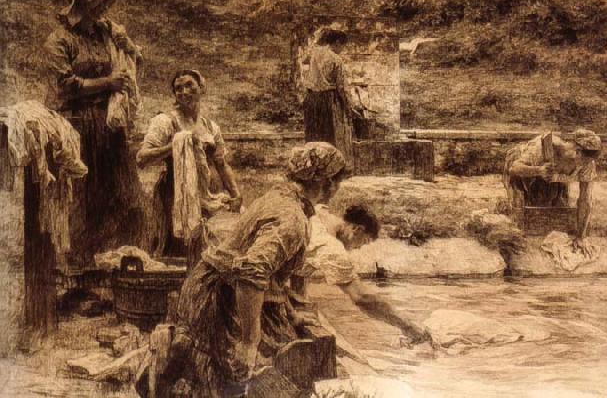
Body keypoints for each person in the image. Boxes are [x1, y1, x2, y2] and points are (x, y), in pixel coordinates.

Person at [152, 142, 347, 397]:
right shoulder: (291, 218)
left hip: (219, 287)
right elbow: (251, 273)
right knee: (256, 375)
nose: (336, 188)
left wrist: (290, 313)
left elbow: (272, 277)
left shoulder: (281, 198)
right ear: (327, 182)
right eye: (336, 180)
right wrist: (248, 341)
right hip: (216, 297)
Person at [43, 0, 147, 265]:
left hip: (109, 123)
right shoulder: (59, 41)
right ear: (84, 6)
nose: (104, 11)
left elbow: (130, 58)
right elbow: (65, 86)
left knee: (119, 193)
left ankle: (117, 263)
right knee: (82, 197)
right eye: (99, 5)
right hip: (76, 124)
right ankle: (79, 268)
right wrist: (108, 82)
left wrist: (131, 54)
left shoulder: (106, 33)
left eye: (105, 6)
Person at [136, 69, 242, 263]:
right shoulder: (165, 122)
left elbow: (221, 163)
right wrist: (177, 143)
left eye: (189, 85)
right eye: (178, 88)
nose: (184, 92)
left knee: (206, 252)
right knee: (180, 252)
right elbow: (142, 157)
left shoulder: (210, 126)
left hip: (205, 198)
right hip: (176, 197)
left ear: (201, 87)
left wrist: (236, 194)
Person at [295, 204, 431, 346]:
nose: (359, 248)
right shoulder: (332, 249)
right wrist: (406, 325)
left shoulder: (321, 212)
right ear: (357, 229)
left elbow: (301, 262)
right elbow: (362, 298)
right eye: (364, 242)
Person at [503, 129, 601, 255]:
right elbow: (514, 168)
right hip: (524, 170)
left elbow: (585, 200)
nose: (587, 164)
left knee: (554, 208)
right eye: (585, 161)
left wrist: (581, 237)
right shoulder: (543, 148)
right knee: (520, 213)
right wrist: (538, 170)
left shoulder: (587, 163)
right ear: (578, 152)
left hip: (551, 179)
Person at [301, 25, 356, 166]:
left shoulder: (315, 54)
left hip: (311, 99)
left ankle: (312, 166)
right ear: (337, 43)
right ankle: (330, 169)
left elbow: (304, 62)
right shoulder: (336, 60)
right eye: (342, 47)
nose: (342, 50)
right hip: (327, 100)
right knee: (329, 137)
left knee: (313, 135)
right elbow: (342, 88)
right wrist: (349, 106)